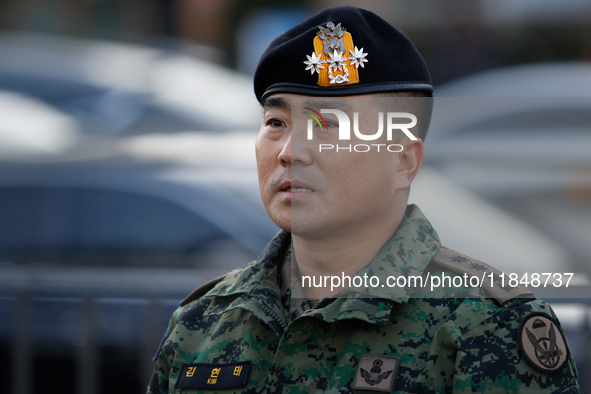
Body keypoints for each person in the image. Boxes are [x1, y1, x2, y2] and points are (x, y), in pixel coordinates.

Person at [147, 6, 582, 393]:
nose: (290, 150)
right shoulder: (203, 322)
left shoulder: (484, 327)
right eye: (276, 121)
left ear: (403, 160)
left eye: (328, 124)